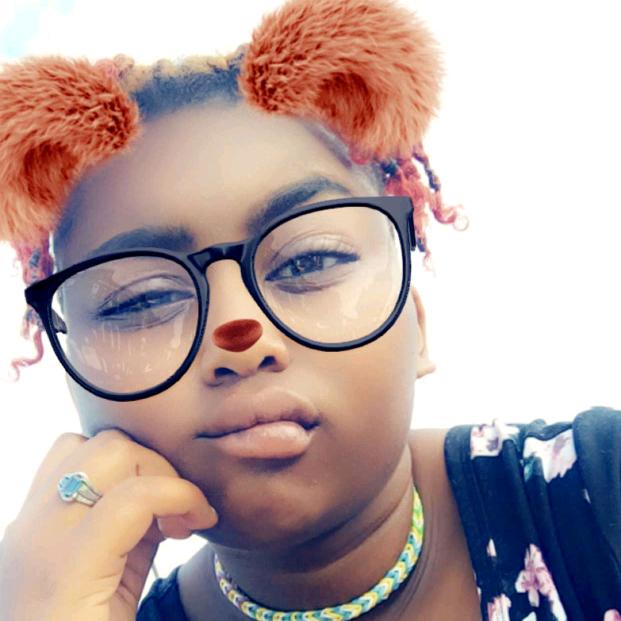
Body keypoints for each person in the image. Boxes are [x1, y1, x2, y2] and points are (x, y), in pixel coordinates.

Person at [0, 0, 619, 619]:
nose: (238, 333)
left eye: (308, 260)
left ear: (417, 324)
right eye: (143, 298)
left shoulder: (599, 487)